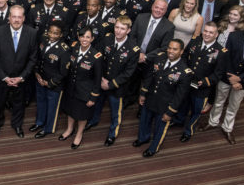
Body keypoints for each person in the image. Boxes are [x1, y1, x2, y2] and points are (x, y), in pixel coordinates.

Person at [203, 13, 244, 144]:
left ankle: (227, 128)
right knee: (219, 101)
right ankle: (213, 122)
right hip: (227, 77)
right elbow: (226, 58)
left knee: (233, 106)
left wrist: (240, 79)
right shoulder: (233, 36)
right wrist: (230, 77)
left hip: (242, 82)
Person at [85, 16, 140, 144]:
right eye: (116, 27)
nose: (118, 31)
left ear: (128, 30)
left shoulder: (133, 48)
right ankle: (93, 121)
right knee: (97, 104)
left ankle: (112, 134)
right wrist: (100, 78)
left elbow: (128, 73)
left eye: (122, 28)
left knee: (116, 112)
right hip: (102, 80)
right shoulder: (107, 39)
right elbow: (98, 57)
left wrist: (110, 84)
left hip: (117, 87)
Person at [134, 39, 192, 157]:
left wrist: (170, 112)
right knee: (144, 121)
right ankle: (143, 138)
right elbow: (150, 77)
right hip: (150, 98)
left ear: (181, 52)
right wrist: (143, 93)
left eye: (175, 49)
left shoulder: (185, 72)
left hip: (165, 105)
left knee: (160, 128)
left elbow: (179, 96)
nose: (170, 51)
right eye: (169, 48)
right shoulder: (159, 58)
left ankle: (154, 147)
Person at [0, 5, 38, 138]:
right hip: (2, 77)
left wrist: (22, 77)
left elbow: (33, 59)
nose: (16, 20)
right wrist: (4, 77)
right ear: (9, 18)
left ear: (23, 18)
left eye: (19, 17)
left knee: (19, 103)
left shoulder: (32, 33)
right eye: (14, 17)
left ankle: (17, 125)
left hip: (21, 77)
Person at [174, 22, 226, 142]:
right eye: (206, 31)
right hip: (187, 83)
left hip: (202, 88)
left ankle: (189, 130)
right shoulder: (195, 41)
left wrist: (205, 82)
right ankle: (178, 120)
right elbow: (185, 56)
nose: (207, 34)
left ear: (216, 34)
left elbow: (218, 73)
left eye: (211, 32)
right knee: (183, 104)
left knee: (196, 111)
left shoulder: (220, 51)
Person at [59, 27, 102, 149]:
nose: (84, 39)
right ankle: (69, 129)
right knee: (70, 111)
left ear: (92, 39)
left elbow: (97, 79)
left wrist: (93, 97)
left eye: (88, 37)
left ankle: (79, 134)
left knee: (82, 115)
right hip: (71, 88)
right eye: (82, 36)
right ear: (78, 37)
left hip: (85, 92)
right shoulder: (74, 48)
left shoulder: (96, 56)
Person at [29, 21, 71, 138]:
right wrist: (37, 74)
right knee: (41, 103)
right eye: (50, 32)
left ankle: (48, 128)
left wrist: (50, 82)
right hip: (40, 80)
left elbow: (64, 72)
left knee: (52, 107)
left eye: (56, 33)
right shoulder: (44, 41)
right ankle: (39, 122)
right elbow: (38, 58)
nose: (52, 35)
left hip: (54, 84)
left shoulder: (64, 50)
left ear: (61, 35)